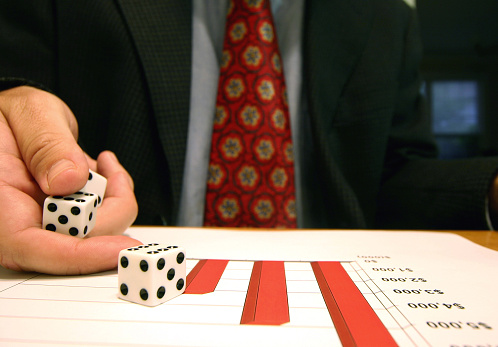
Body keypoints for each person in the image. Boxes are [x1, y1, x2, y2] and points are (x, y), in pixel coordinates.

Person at [1, 0, 497, 275]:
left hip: (336, 288)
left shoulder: (387, 17)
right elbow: (12, 84)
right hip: (101, 289)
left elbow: (391, 173)